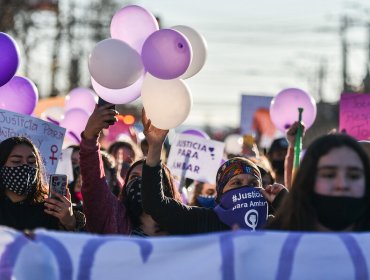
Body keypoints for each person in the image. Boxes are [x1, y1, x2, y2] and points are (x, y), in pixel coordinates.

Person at [141, 109, 288, 235]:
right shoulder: (204, 220)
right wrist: (155, 146)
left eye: (253, 183)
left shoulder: (274, 224)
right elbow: (155, 205)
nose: (246, 188)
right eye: (237, 183)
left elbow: (306, 222)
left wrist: (283, 199)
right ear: (220, 192)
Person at [80, 105, 181, 236]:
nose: (141, 182)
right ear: (125, 186)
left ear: (166, 186)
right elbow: (93, 183)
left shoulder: (182, 226)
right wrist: (90, 136)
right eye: (134, 177)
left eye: (148, 177)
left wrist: (156, 145)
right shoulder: (113, 217)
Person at [267, 133, 370, 231]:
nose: (342, 184)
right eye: (329, 175)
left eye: (354, 176)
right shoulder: (273, 242)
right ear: (308, 179)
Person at [0, 136, 85, 231]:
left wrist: (70, 222)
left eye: (31, 162)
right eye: (16, 161)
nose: (25, 166)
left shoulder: (50, 210)